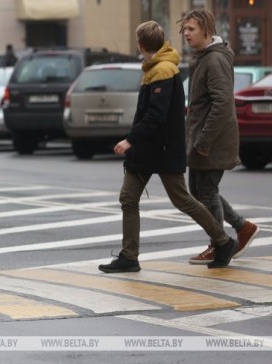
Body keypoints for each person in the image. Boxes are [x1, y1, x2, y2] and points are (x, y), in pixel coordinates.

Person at [98, 21, 237, 273]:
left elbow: (155, 116)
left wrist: (130, 140)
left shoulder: (162, 70)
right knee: (128, 198)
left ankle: (223, 241)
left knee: (182, 199)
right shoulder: (155, 68)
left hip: (159, 149)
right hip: (149, 150)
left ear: (140, 44)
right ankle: (129, 256)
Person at [179, 9, 259, 265]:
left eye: (191, 29)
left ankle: (219, 243)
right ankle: (241, 227)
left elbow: (222, 104)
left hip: (212, 140)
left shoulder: (215, 60)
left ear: (206, 30)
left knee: (207, 192)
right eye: (185, 29)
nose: (186, 34)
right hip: (203, 138)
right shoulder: (204, 57)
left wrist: (204, 141)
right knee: (198, 190)